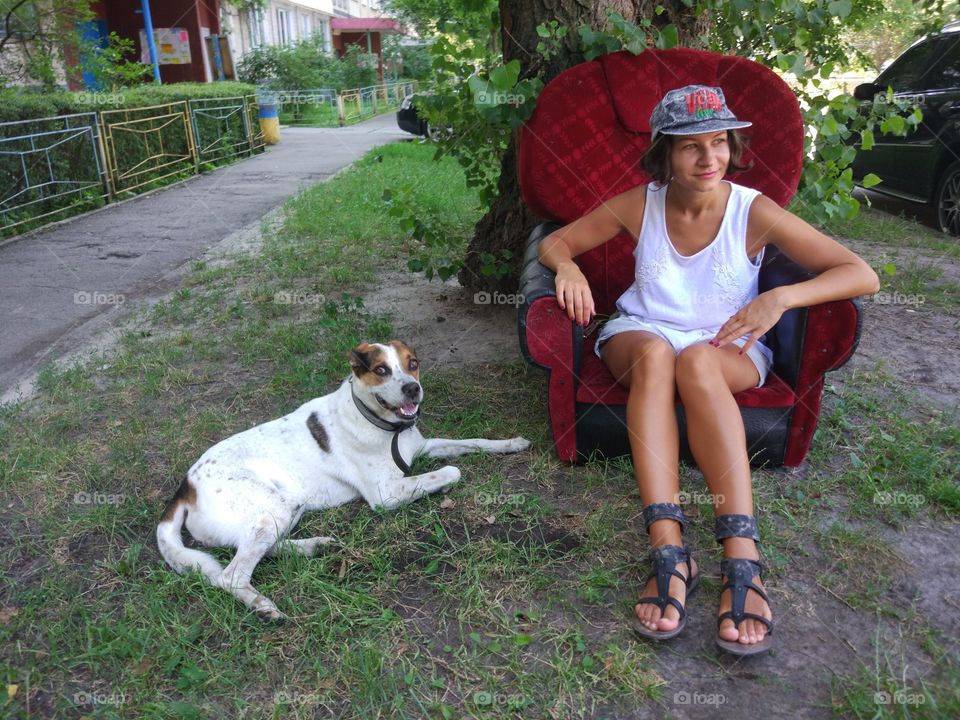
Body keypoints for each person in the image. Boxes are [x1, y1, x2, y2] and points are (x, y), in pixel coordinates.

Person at [537, 84, 879, 656]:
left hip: (724, 346)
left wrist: (780, 298)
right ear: (664, 153)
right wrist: (567, 269)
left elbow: (860, 273)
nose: (709, 159)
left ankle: (742, 555)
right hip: (642, 335)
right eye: (690, 147)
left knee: (695, 360)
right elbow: (557, 243)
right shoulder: (637, 204)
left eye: (719, 143)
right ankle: (669, 549)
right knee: (656, 356)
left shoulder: (752, 211)